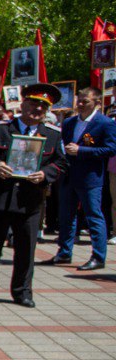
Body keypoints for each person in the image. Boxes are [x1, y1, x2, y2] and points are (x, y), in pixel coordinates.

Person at [0, 84, 65, 308]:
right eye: (33, 103)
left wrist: (45, 174)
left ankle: (22, 292)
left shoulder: (51, 134)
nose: (37, 109)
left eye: (43, 106)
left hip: (30, 200)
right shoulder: (0, 128)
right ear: (22, 103)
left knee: (26, 249)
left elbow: (61, 163)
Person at [49, 87, 116, 270]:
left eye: (85, 101)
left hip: (90, 177)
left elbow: (110, 149)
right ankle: (64, 252)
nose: (80, 104)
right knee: (66, 216)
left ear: (97, 103)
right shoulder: (70, 122)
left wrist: (82, 151)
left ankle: (98, 256)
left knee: (94, 216)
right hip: (69, 175)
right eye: (78, 100)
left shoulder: (105, 123)